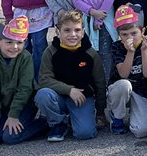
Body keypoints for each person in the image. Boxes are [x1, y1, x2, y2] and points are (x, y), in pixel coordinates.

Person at [36, 9, 108, 141]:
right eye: (67, 30)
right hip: (58, 98)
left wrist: (101, 111)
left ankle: (74, 119)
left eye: (77, 30)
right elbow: (44, 80)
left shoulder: (90, 53)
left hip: (82, 98)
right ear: (58, 32)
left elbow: (100, 83)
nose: (72, 34)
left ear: (83, 31)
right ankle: (58, 123)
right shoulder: (50, 51)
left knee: (85, 133)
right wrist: (69, 90)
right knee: (43, 95)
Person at [0, 16, 45, 145]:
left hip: (24, 105)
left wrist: (14, 115)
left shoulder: (25, 58)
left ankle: (44, 124)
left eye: (19, 42)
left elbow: (25, 89)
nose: (14, 47)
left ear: (25, 42)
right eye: (9, 42)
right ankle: (6, 121)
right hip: (3, 105)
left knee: (10, 137)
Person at [106, 3, 147, 138]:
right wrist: (130, 52)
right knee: (124, 85)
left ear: (142, 31)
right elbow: (123, 74)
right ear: (119, 35)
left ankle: (144, 114)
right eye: (124, 34)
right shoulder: (116, 47)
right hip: (121, 88)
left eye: (134, 33)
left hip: (141, 89)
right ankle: (116, 117)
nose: (130, 38)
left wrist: (144, 50)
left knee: (141, 131)